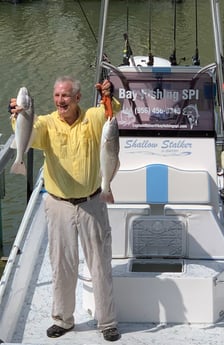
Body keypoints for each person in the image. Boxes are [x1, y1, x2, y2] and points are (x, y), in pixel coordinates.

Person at [9, 76, 121, 342]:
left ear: (78, 98)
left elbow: (112, 113)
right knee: (62, 265)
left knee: (100, 264)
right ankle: (63, 319)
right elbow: (30, 134)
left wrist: (109, 94)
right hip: (58, 204)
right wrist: (16, 116)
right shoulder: (46, 123)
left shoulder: (93, 118)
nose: (60, 101)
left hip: (93, 202)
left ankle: (107, 322)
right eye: (57, 96)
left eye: (66, 96)